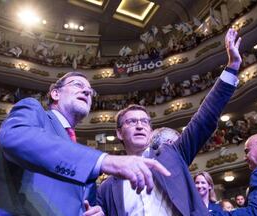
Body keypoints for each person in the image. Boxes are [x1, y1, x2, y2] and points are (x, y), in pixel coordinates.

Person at [97, 28, 241, 216]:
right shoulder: (106, 188)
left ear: (150, 130)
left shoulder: (173, 154)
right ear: (118, 132)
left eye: (145, 122)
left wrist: (232, 66)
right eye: (132, 122)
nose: (140, 125)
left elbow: (204, 118)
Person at [0, 71, 170, 215]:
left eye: (90, 91)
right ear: (55, 93)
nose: (87, 91)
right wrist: (105, 160)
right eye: (78, 85)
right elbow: (14, 136)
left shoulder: (79, 153)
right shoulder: (34, 111)